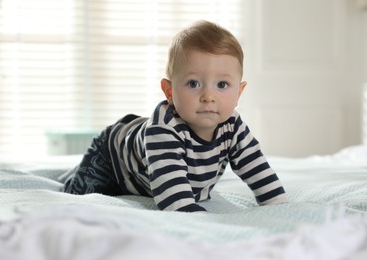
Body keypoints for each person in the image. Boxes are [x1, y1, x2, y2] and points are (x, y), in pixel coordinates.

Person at [61, 20, 288, 212]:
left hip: (146, 173)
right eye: (193, 83)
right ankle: (71, 176)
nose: (208, 96)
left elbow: (256, 167)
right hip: (114, 156)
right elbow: (176, 202)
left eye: (222, 84)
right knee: (81, 191)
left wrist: (278, 204)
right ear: (170, 91)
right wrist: (191, 214)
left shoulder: (233, 126)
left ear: (239, 92)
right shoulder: (164, 129)